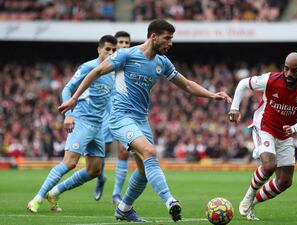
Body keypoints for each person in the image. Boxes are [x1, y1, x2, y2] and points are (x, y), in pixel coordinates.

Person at [58, 19, 232, 222]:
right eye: (168, 38)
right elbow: (96, 72)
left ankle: (123, 209)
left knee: (143, 172)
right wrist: (73, 98)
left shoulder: (162, 63)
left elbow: (186, 85)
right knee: (149, 152)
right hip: (120, 117)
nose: (171, 43)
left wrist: (212, 95)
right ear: (153, 37)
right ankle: (170, 201)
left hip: (141, 120)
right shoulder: (126, 55)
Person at [27, 35, 117, 213]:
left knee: (95, 171)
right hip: (82, 121)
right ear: (99, 49)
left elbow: (108, 102)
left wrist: (114, 122)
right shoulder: (89, 67)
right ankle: (36, 199)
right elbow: (67, 88)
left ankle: (55, 192)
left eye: (114, 50)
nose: (111, 53)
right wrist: (68, 115)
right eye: (108, 49)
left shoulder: (112, 73)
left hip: (98, 127)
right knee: (70, 163)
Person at [228, 52, 297, 220]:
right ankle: (248, 196)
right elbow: (242, 84)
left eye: (294, 70)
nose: (289, 74)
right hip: (264, 126)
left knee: (285, 181)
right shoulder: (270, 79)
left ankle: (252, 204)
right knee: (269, 166)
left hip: (285, 133)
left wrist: (294, 129)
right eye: (286, 69)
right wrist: (234, 108)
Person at [93, 31, 141, 205]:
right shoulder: (107, 63)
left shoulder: (132, 64)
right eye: (120, 42)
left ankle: (116, 193)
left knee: (123, 152)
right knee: (101, 153)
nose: (123, 45)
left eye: (127, 43)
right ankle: (100, 179)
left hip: (123, 114)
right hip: (105, 114)